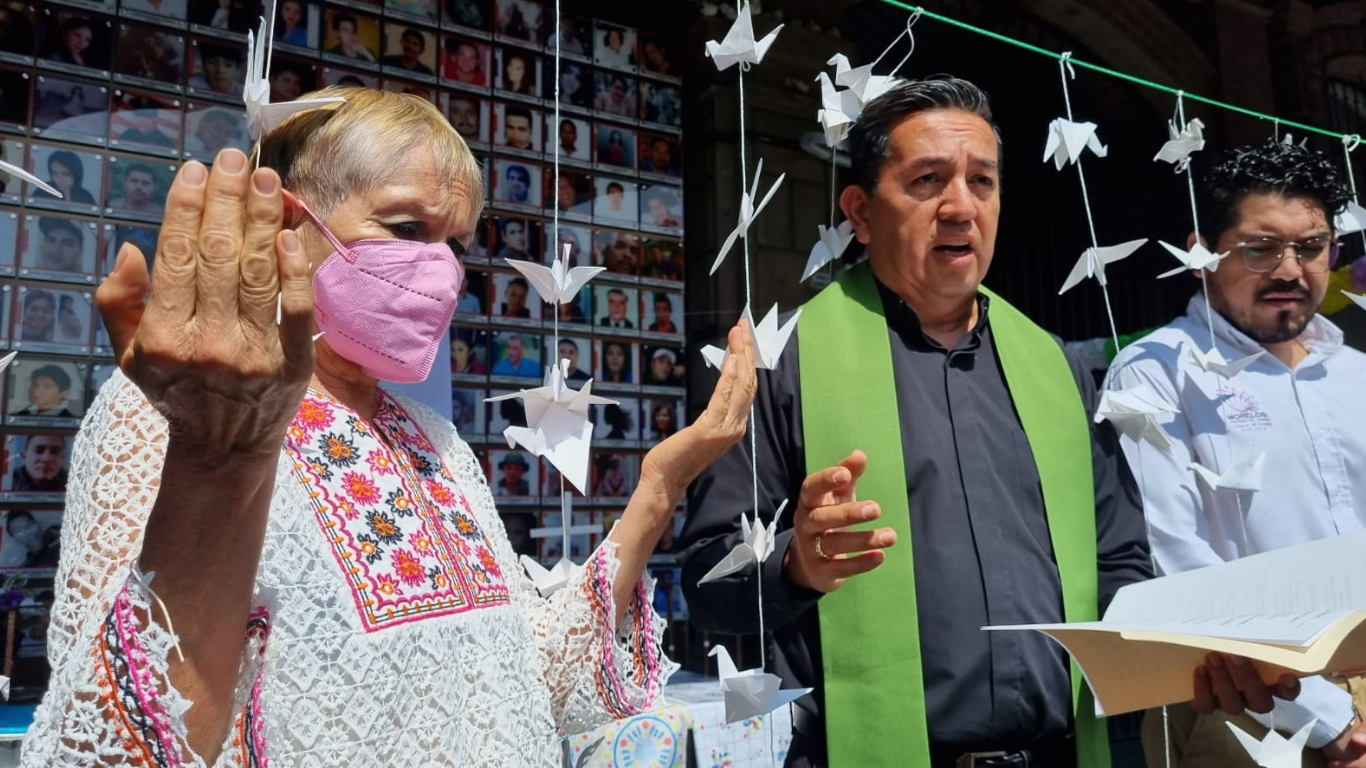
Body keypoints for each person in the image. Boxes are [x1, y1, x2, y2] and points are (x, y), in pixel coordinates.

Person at [25, 88, 759, 766]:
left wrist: (659, 487)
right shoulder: (171, 415)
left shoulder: (437, 442)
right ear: (289, 221)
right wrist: (219, 461)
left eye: (455, 245)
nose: (440, 271)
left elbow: (536, 685)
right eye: (406, 227)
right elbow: (101, 749)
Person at [679, 77, 1151, 768]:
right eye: (928, 180)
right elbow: (706, 580)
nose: (961, 207)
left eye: (982, 181)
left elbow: (1122, 561)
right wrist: (795, 564)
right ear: (861, 212)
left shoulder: (1055, 365)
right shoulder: (784, 362)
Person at [1104, 139, 1366, 768]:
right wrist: (1330, 723)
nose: (1290, 270)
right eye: (1260, 248)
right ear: (1202, 254)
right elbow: (1174, 557)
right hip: (1245, 707)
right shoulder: (1155, 372)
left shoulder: (1356, 373)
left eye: (1311, 247)